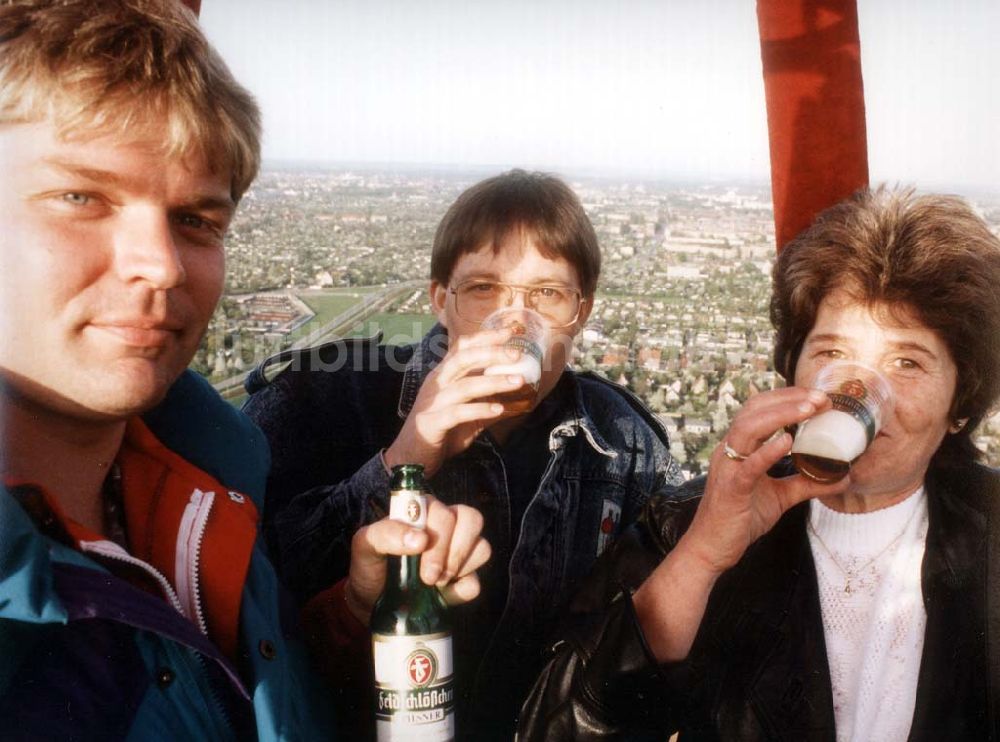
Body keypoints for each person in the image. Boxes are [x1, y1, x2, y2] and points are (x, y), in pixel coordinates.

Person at [0, 1, 488, 738]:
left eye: (196, 220)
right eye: (81, 197)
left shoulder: (204, 482)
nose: (160, 265)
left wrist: (353, 618)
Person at [518, 186, 1000, 740]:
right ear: (792, 370)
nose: (858, 392)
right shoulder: (687, 521)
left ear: (962, 403)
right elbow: (548, 731)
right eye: (832, 353)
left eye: (907, 361)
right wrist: (700, 559)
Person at [243, 169, 684, 738]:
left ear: (582, 313)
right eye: (484, 290)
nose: (514, 319)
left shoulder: (622, 440)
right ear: (440, 302)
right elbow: (256, 596)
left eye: (547, 294)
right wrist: (410, 452)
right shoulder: (328, 397)